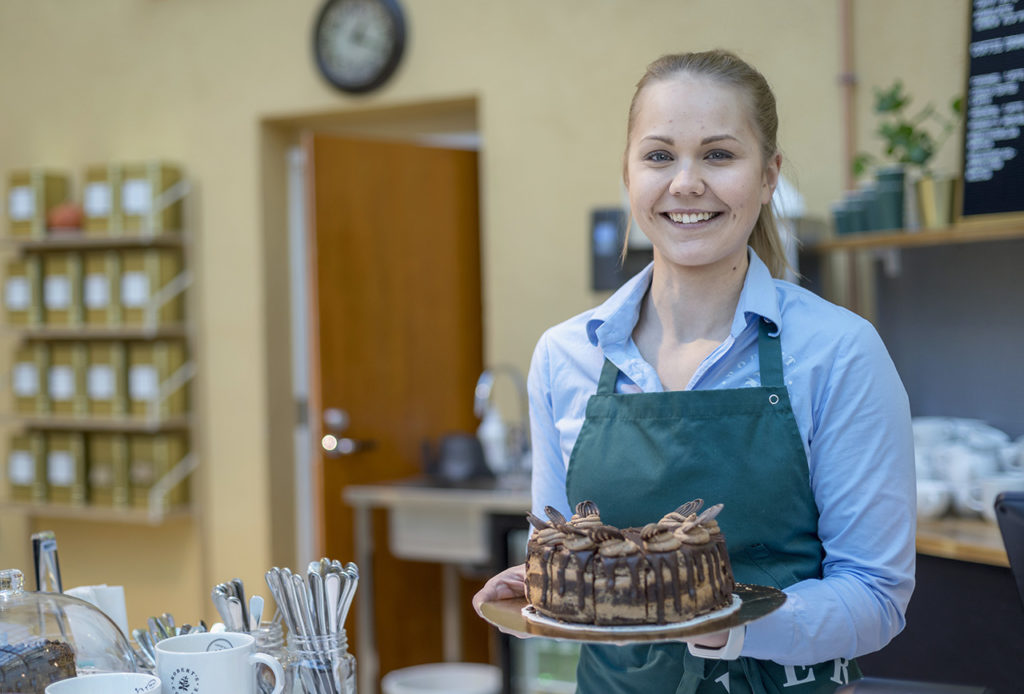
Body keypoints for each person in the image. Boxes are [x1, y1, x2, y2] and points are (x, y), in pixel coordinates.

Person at [472, 49, 916, 693]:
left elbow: (877, 596)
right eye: (658, 156)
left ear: (768, 177)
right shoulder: (564, 356)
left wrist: (720, 626)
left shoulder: (839, 351)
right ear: (627, 175)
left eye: (718, 154)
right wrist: (533, 591)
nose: (685, 183)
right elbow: (565, 549)